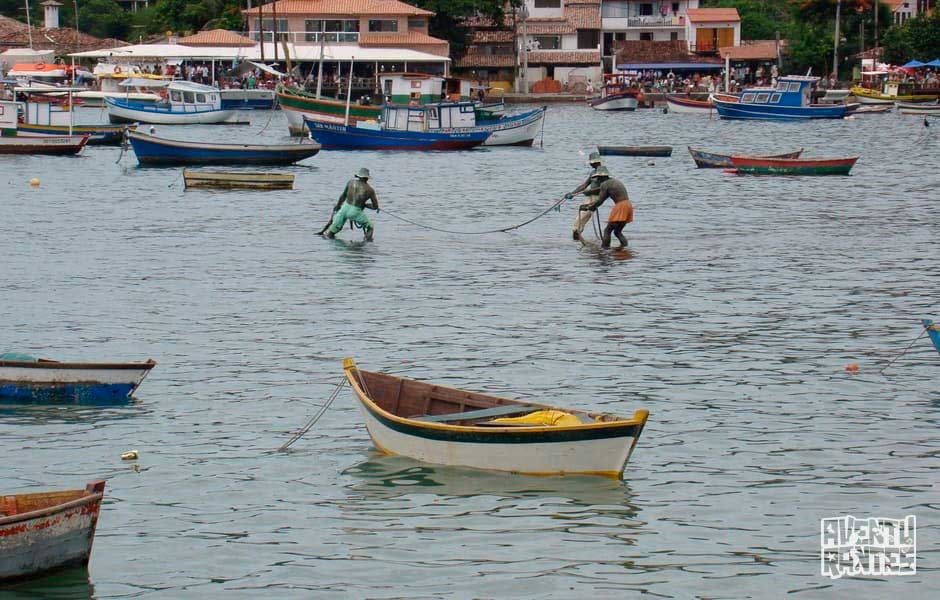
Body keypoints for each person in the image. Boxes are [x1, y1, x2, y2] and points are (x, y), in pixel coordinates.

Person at [580, 166, 633, 249]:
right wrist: (589, 192)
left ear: (601, 177)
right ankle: (624, 248)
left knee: (607, 230)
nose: (597, 180)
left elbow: (600, 200)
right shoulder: (614, 182)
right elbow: (601, 190)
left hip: (620, 207)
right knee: (617, 232)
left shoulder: (605, 184)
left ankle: (605, 249)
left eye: (598, 178)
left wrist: (590, 207)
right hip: (628, 205)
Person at [321, 168, 380, 241]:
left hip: (344, 208)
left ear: (358, 176)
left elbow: (343, 196)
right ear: (367, 178)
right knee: (370, 227)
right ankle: (367, 244)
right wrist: (366, 205)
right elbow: (375, 206)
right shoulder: (370, 190)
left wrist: (338, 206)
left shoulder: (351, 182)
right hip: (355, 211)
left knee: (332, 232)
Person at [565, 151, 604, 241]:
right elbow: (585, 184)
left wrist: (589, 191)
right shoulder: (593, 172)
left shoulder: (603, 173)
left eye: (592, 163)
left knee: (582, 218)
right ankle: (577, 239)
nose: (591, 165)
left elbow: (603, 188)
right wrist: (572, 193)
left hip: (596, 198)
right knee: (578, 220)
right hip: (589, 197)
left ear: (596, 162)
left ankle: (577, 237)